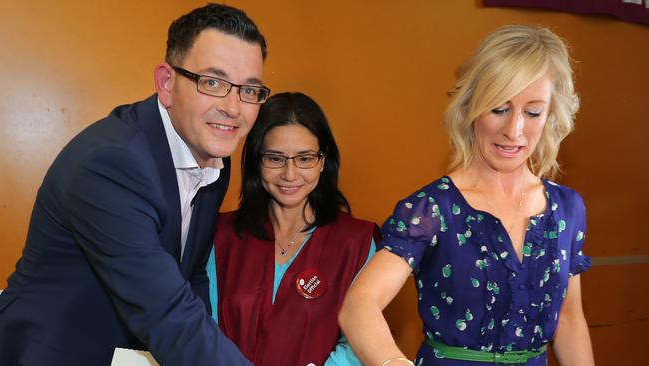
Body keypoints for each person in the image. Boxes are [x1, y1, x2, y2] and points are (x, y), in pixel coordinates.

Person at [0, 3, 269, 365]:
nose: (234, 108)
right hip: (52, 350)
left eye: (249, 90)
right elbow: (169, 314)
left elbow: (190, 278)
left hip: (131, 351)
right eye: (213, 82)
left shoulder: (215, 153)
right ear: (167, 83)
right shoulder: (112, 164)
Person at [339, 25, 595, 366]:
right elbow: (359, 305)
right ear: (471, 106)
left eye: (533, 112)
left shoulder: (567, 209)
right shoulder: (432, 208)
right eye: (499, 109)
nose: (514, 130)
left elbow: (569, 320)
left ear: (551, 115)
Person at [207, 92, 379, 366]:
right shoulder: (222, 236)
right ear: (256, 161)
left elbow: (359, 343)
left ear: (323, 161)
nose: (290, 174)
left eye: (305, 158)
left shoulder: (357, 243)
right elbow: (205, 330)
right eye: (275, 158)